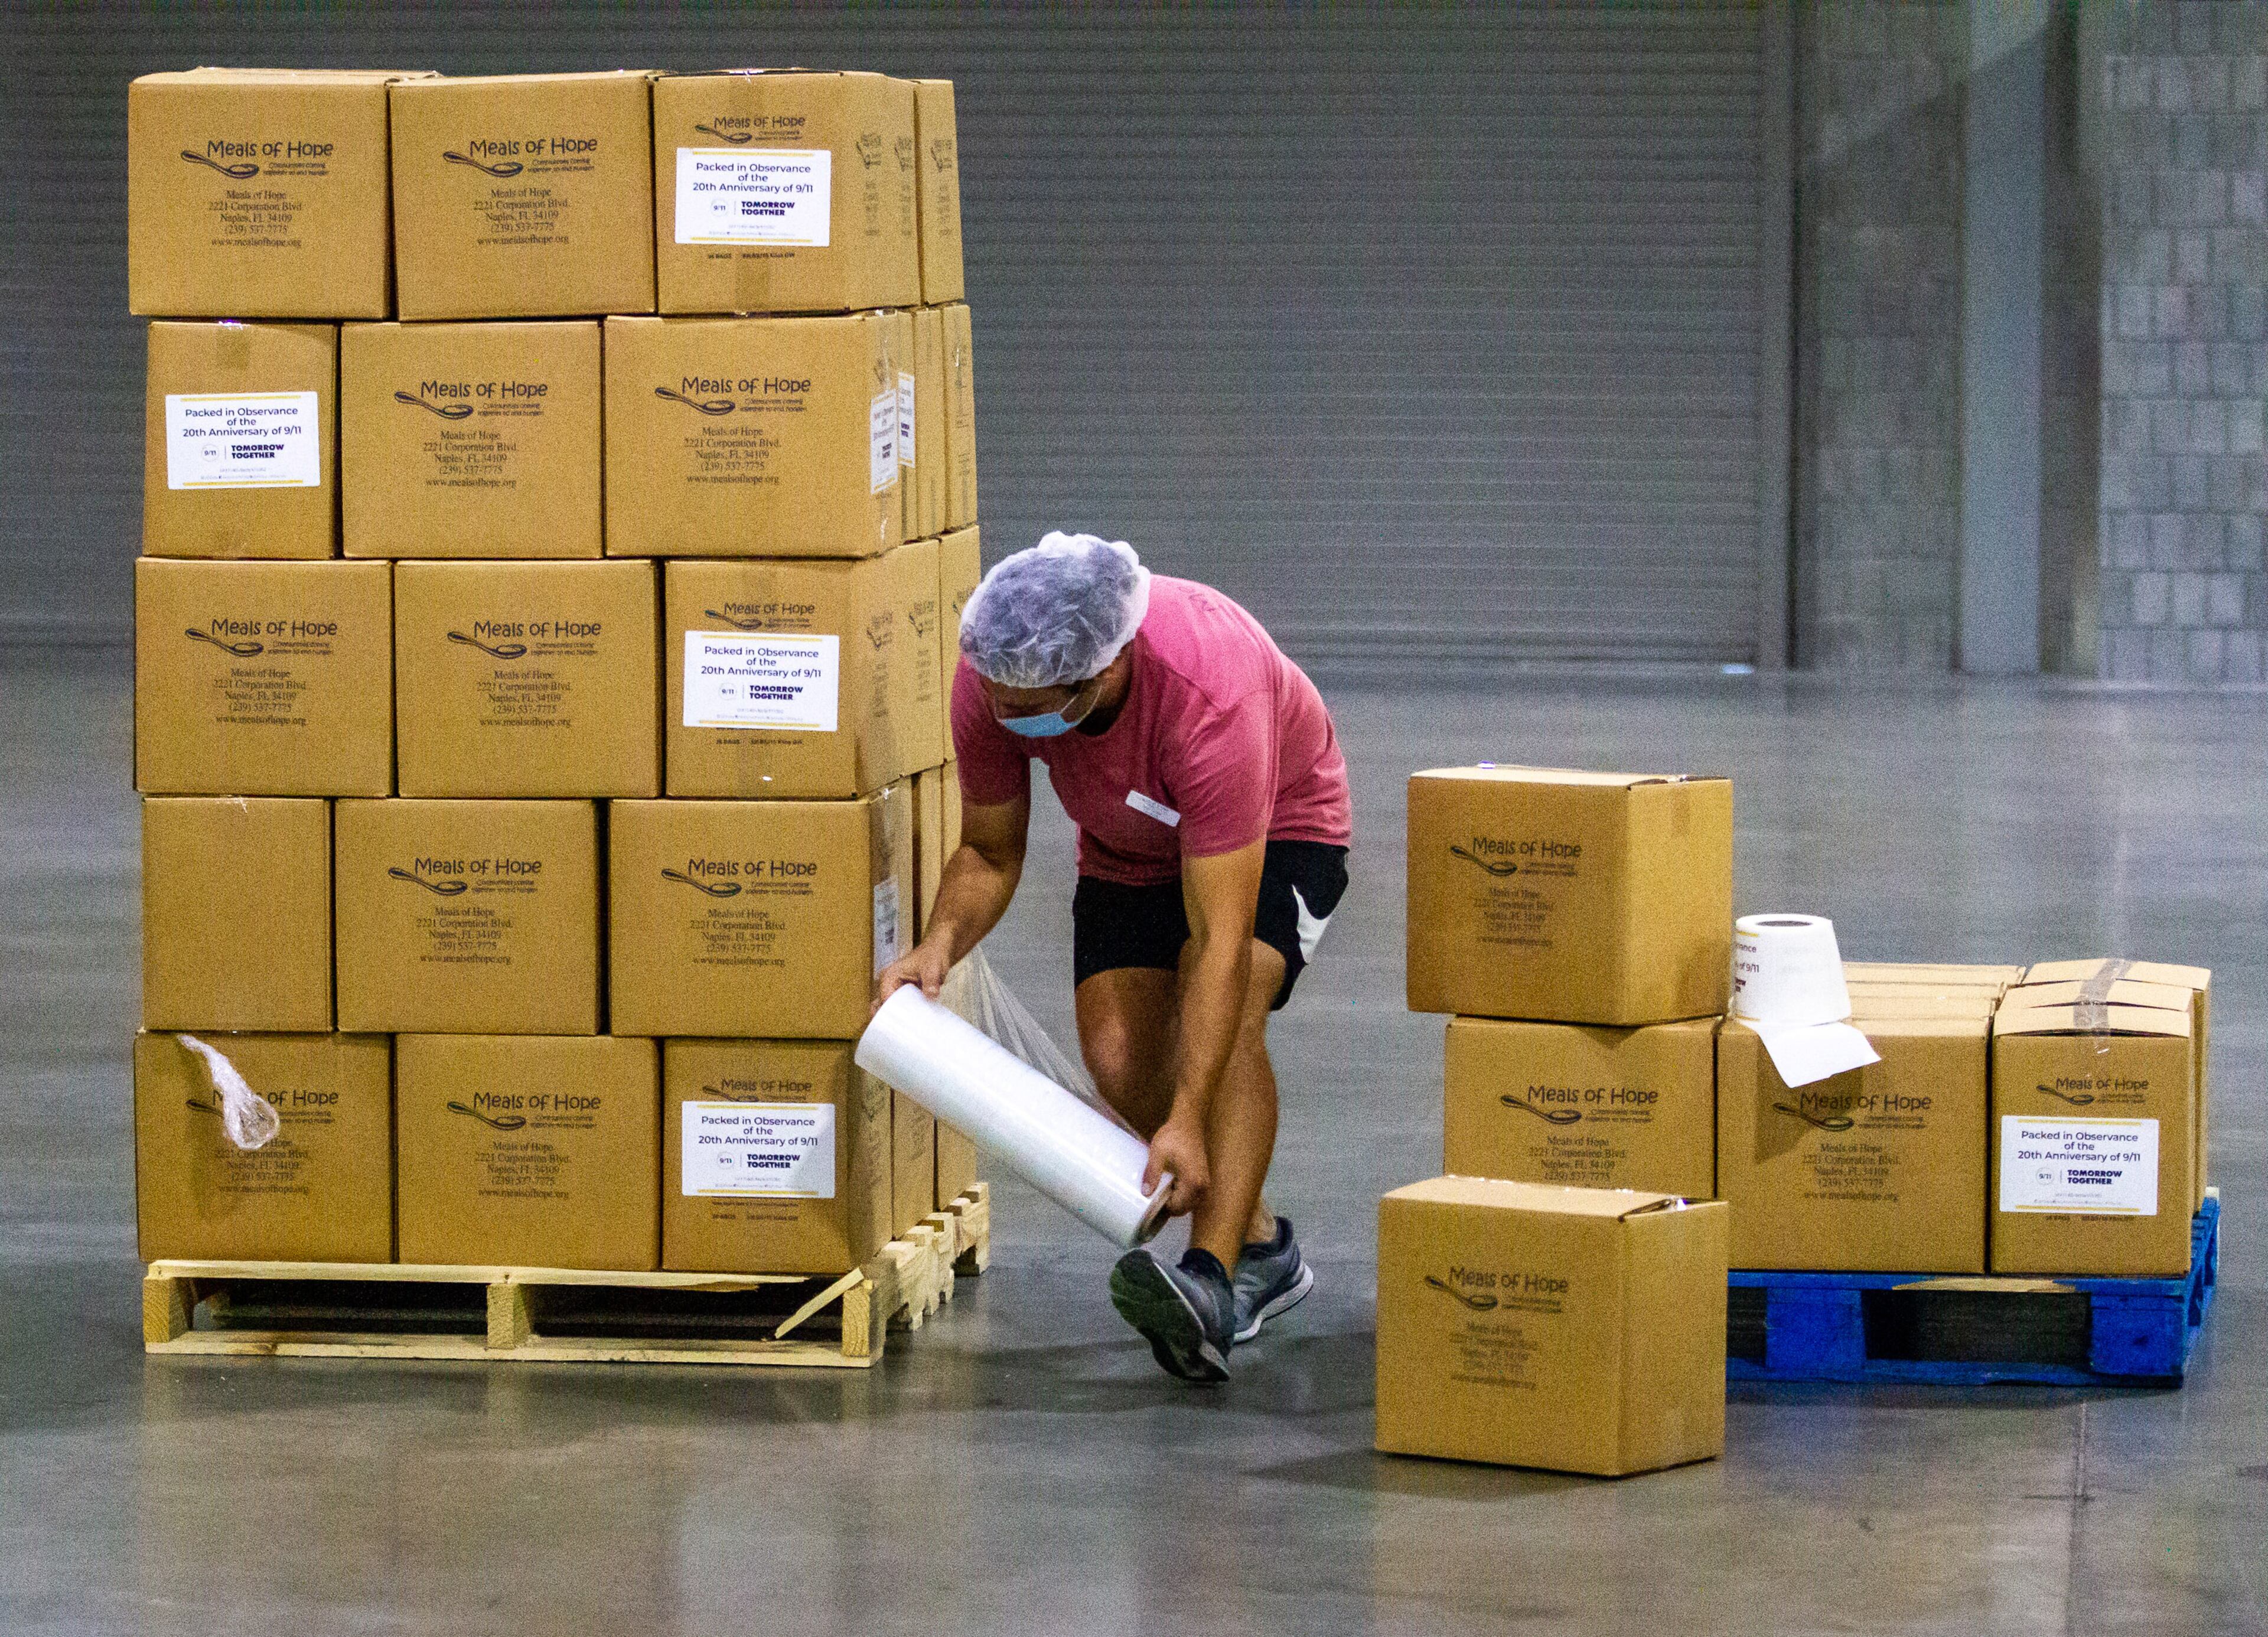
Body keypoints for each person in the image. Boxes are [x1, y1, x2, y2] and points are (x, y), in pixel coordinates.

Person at [876, 532, 1353, 1382]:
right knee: (1123, 1061)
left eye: (1036, 704)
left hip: (1278, 828)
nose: (1013, 717)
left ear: (1109, 666)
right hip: (1130, 844)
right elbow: (990, 849)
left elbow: (1217, 943)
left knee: (1231, 1021)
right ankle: (1265, 1246)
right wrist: (936, 949)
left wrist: (1187, 1116)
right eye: (1001, 702)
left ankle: (1214, 1282)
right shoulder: (992, 679)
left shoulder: (1210, 691)